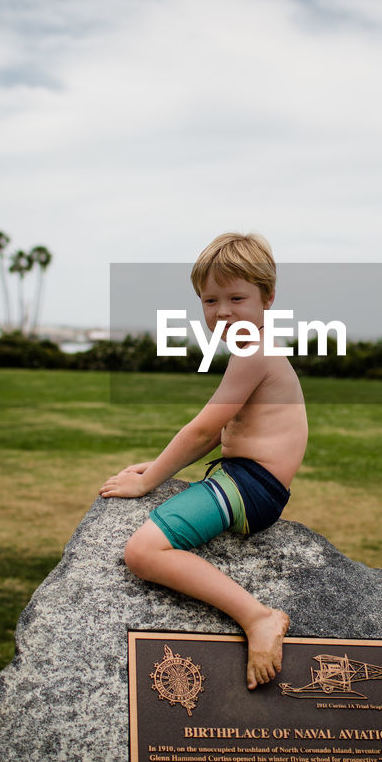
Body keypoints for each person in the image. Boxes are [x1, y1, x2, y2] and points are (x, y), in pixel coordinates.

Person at [100, 233, 308, 690]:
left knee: (143, 551)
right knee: (149, 544)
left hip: (251, 487)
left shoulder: (254, 351)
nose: (222, 312)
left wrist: (146, 483)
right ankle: (256, 617)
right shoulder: (255, 348)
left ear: (268, 297)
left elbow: (200, 429)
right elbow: (215, 435)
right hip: (248, 482)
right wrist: (155, 468)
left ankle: (259, 618)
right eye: (210, 300)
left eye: (237, 297)